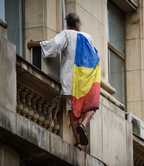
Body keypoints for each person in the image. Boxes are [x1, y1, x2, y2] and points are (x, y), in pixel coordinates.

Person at [28, 13, 101, 149]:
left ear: (67, 23)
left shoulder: (67, 34)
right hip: (88, 79)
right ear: (78, 24)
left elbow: (53, 45)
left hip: (72, 80)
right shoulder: (88, 37)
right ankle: (83, 124)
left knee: (71, 110)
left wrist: (34, 43)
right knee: (92, 106)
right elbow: (96, 56)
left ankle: (78, 140)